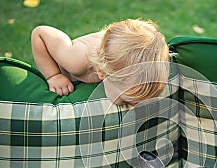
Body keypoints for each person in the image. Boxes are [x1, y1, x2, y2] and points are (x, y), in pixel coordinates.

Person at [31, 18, 170, 106]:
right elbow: (40, 34)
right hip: (64, 65)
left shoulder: (120, 69)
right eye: (127, 100)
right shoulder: (75, 60)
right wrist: (53, 75)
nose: (134, 106)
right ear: (102, 73)